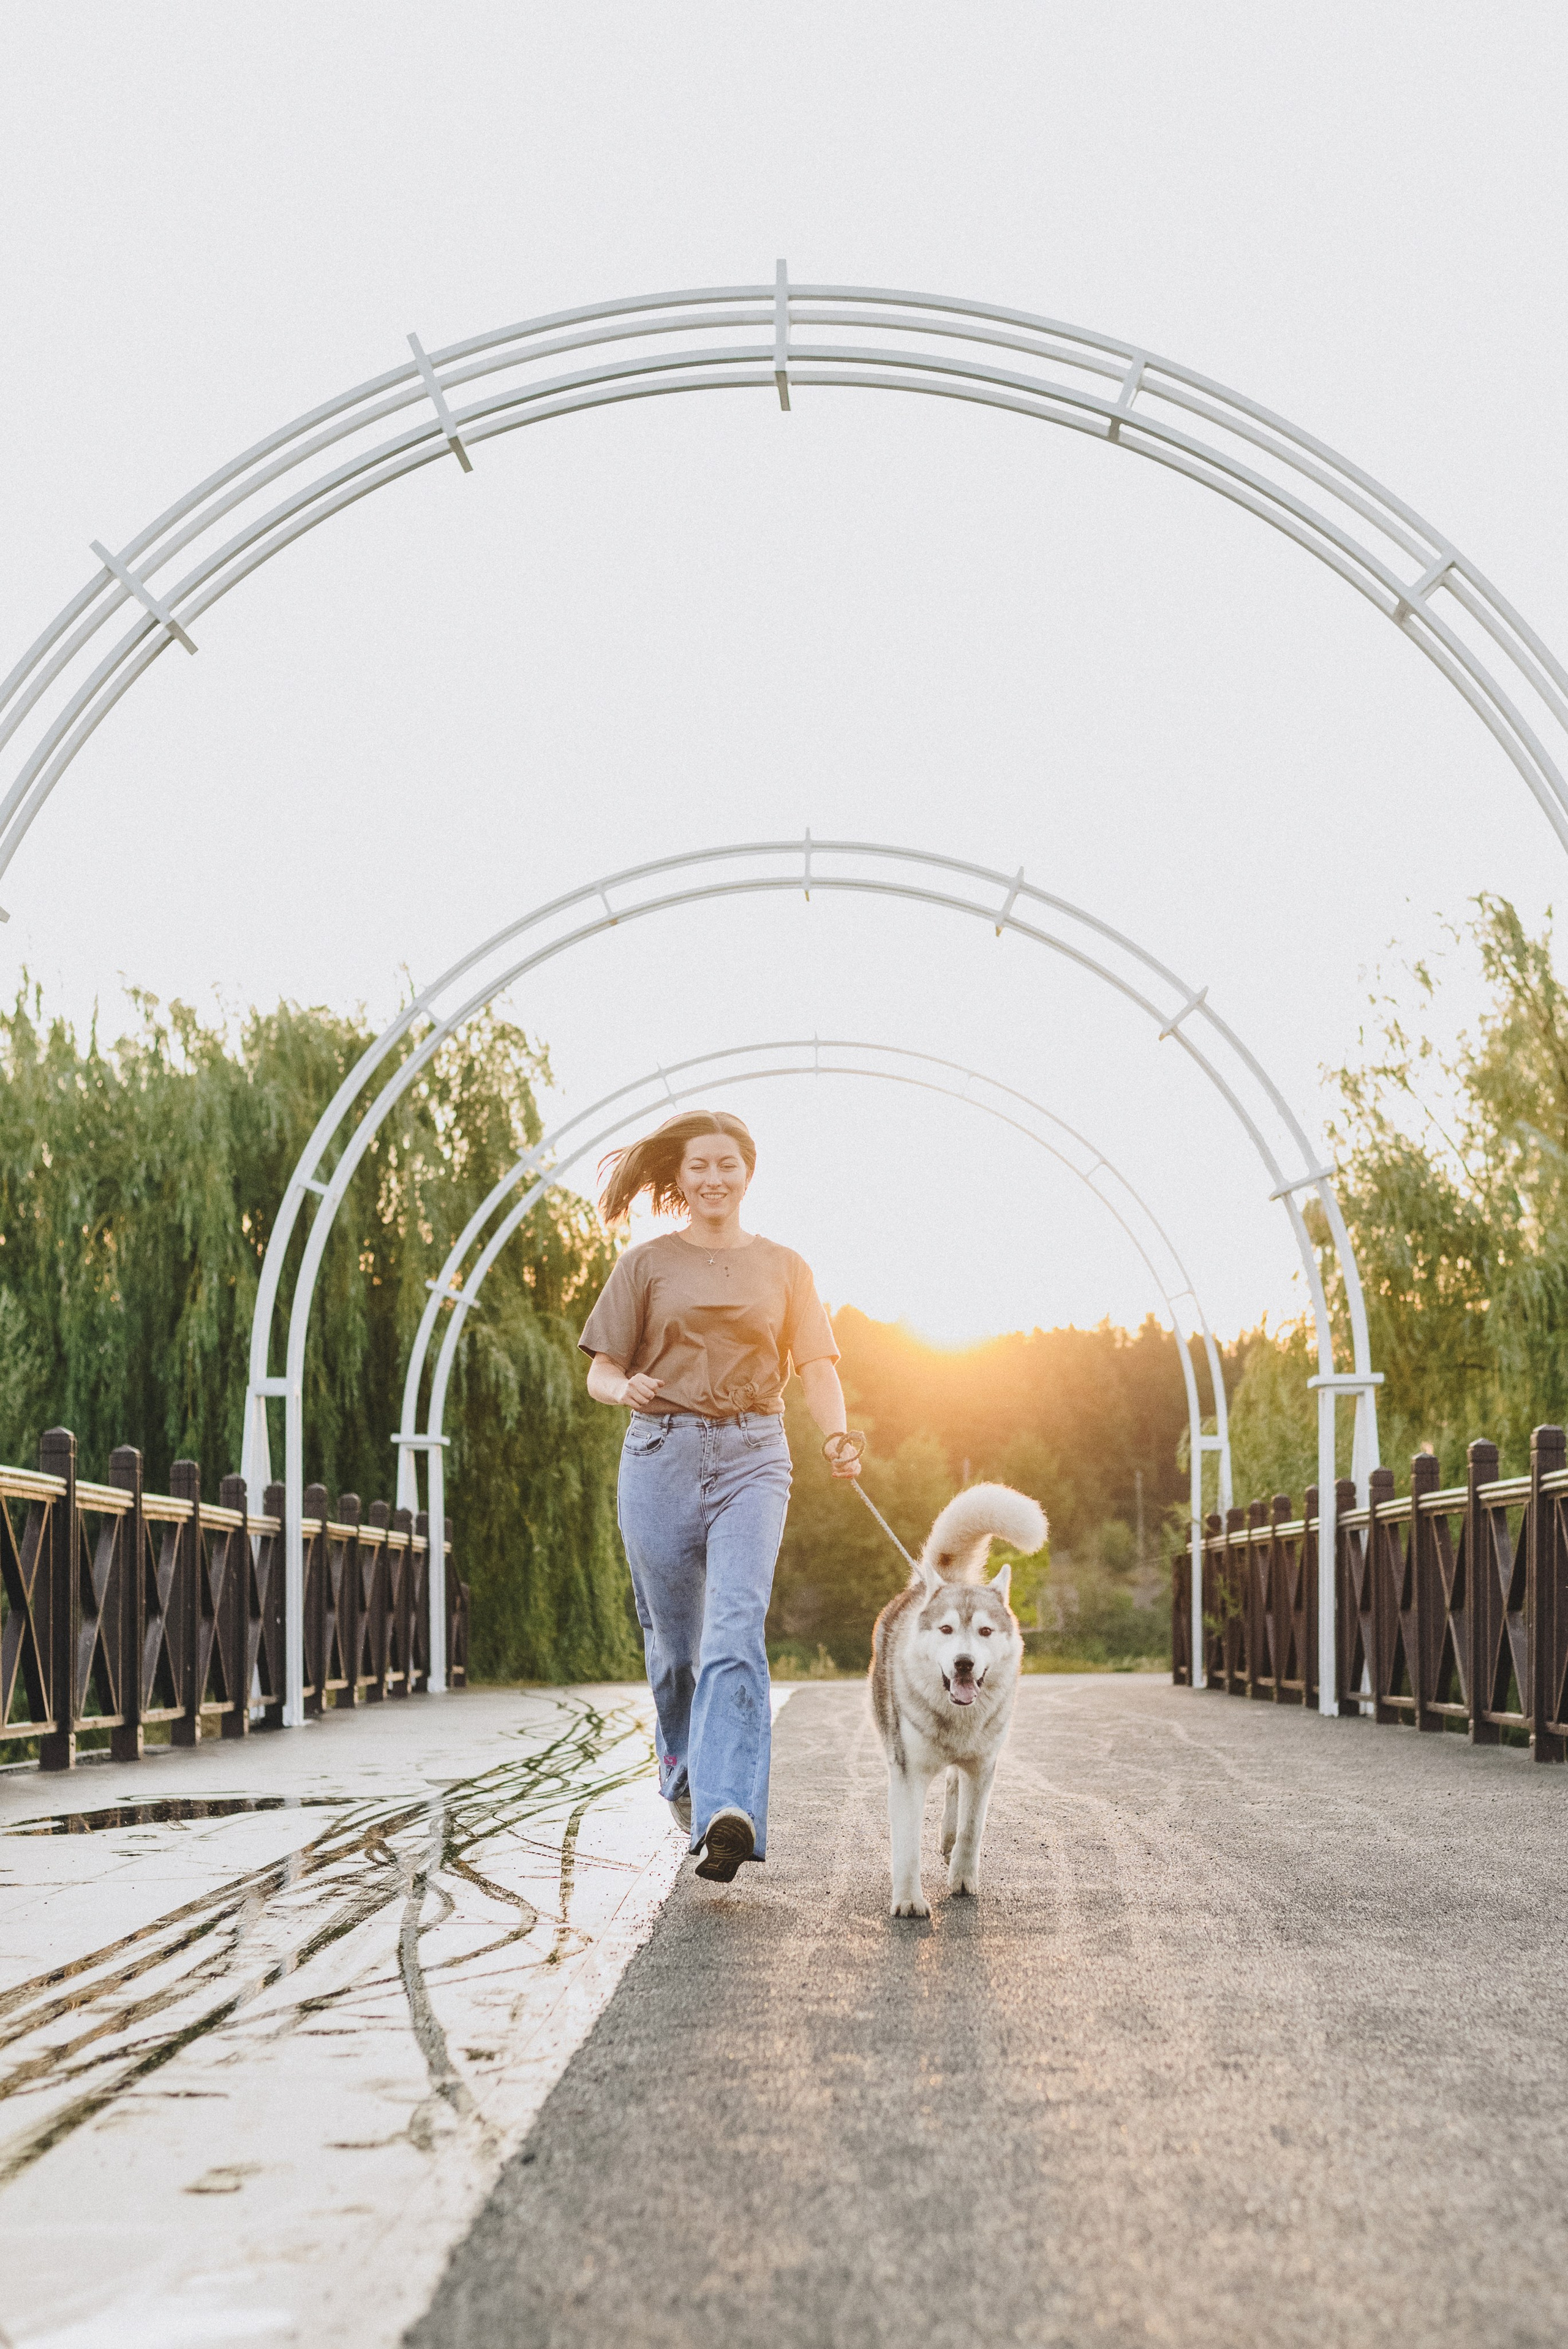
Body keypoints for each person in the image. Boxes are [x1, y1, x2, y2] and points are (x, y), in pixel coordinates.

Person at [580, 1110, 861, 1882]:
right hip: (658, 1452)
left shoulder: (786, 1267)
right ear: (679, 1176)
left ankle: (729, 1808)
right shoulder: (645, 1265)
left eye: (727, 1166)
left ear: (748, 1173)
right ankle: (683, 1774)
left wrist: (836, 1434)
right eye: (699, 1166)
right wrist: (621, 1388)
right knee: (676, 1649)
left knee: (734, 1630)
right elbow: (598, 1369)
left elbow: (819, 1367)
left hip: (754, 1456)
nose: (713, 1178)